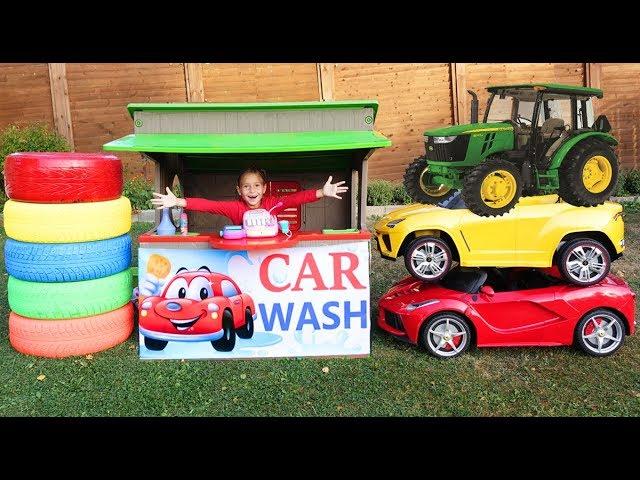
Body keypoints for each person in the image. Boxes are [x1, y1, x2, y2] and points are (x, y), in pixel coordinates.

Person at [151, 166, 348, 225]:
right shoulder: (234, 208)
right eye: (246, 187)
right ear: (239, 190)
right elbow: (208, 205)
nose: (251, 191)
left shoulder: (273, 203)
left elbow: (295, 199)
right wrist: (177, 201)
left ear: (264, 189)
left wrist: (322, 192)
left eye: (256, 186)